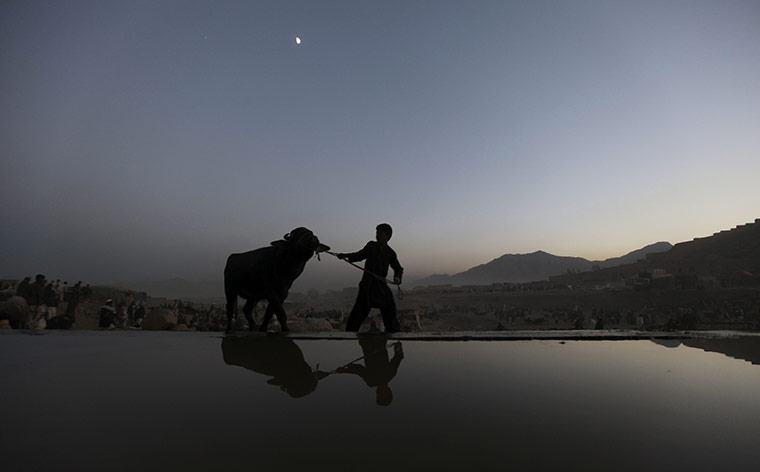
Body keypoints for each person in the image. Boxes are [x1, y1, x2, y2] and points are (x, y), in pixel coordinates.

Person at [337, 223, 403, 333]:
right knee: (358, 313)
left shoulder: (390, 253)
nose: (377, 236)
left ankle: (395, 335)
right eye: (377, 233)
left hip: (381, 286)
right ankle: (349, 335)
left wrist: (397, 278)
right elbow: (359, 255)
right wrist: (345, 255)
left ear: (387, 236)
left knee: (390, 309)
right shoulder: (371, 246)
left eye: (380, 233)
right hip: (367, 286)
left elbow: (398, 268)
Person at [336, 338, 404, 406]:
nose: (378, 393)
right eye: (381, 396)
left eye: (378, 396)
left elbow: (359, 370)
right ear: (388, 392)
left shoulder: (384, 377)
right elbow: (358, 370)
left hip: (372, 341)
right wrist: (344, 370)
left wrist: (344, 370)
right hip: (368, 342)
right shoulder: (373, 381)